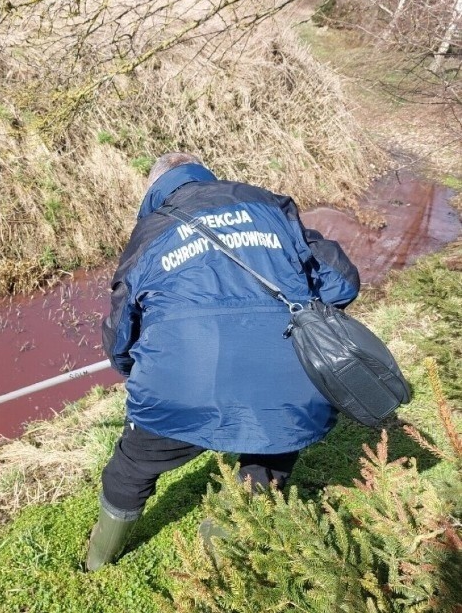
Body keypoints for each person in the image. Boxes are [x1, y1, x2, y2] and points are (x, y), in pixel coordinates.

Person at [86, 152, 360, 571]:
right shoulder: (268, 206)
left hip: (179, 388)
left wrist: (135, 372)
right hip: (291, 382)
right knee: (270, 450)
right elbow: (342, 282)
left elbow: (122, 333)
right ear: (204, 175)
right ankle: (219, 561)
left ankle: (97, 565)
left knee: (131, 469)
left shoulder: (152, 231)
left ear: (155, 190)